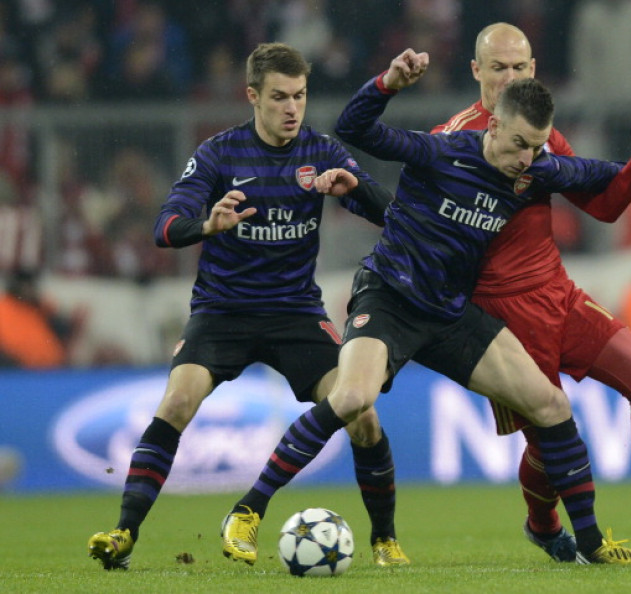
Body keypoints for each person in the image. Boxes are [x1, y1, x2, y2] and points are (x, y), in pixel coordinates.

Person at [220, 48, 631, 566]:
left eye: (538, 147)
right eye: (519, 144)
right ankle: (248, 511)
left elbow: (597, 174)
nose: (527, 159)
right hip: (389, 296)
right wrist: (387, 83)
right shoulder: (441, 151)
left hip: (450, 313)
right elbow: (355, 128)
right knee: (351, 398)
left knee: (552, 406)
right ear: (494, 124)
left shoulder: (535, 169)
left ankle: (593, 546)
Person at [87, 42, 410, 570]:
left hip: (296, 313)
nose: (292, 108)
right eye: (279, 97)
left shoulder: (321, 153)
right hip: (223, 310)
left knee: (363, 414)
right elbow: (165, 228)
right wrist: (206, 225)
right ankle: (123, 533)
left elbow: (391, 213)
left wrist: (355, 188)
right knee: (177, 402)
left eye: (300, 96)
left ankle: (385, 540)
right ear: (253, 97)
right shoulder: (218, 154)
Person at [432, 22, 631, 561]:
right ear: (475, 71)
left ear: (533, 71)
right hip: (498, 315)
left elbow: (601, 205)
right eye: (497, 67)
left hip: (557, 294)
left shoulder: (544, 132)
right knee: (550, 446)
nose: (509, 78)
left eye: (520, 67)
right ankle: (544, 526)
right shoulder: (449, 142)